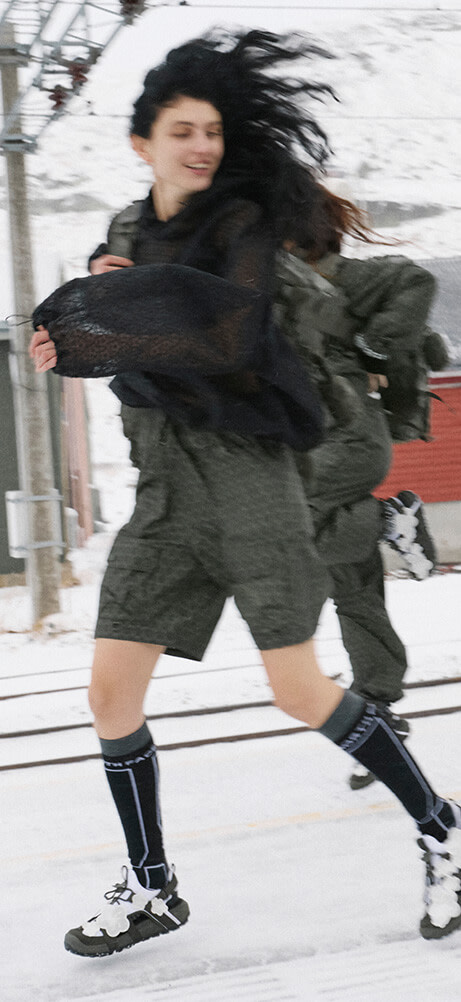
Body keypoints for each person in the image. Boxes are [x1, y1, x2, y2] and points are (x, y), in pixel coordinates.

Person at [30, 30, 461, 957]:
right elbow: (113, 326)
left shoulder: (242, 230)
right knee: (110, 694)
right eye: (182, 129)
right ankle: (152, 886)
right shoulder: (123, 232)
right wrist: (76, 324)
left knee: (297, 688)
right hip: (163, 490)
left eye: (213, 130)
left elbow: (221, 337)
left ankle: (440, 827)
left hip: (249, 480)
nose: (202, 145)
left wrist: (104, 315)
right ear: (141, 142)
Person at [275, 186, 443, 790]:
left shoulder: (341, 278)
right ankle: (378, 707)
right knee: (355, 590)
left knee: (288, 528)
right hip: (316, 441)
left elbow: (415, 280)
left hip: (346, 439)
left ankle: (388, 518)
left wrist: (375, 345)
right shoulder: (283, 289)